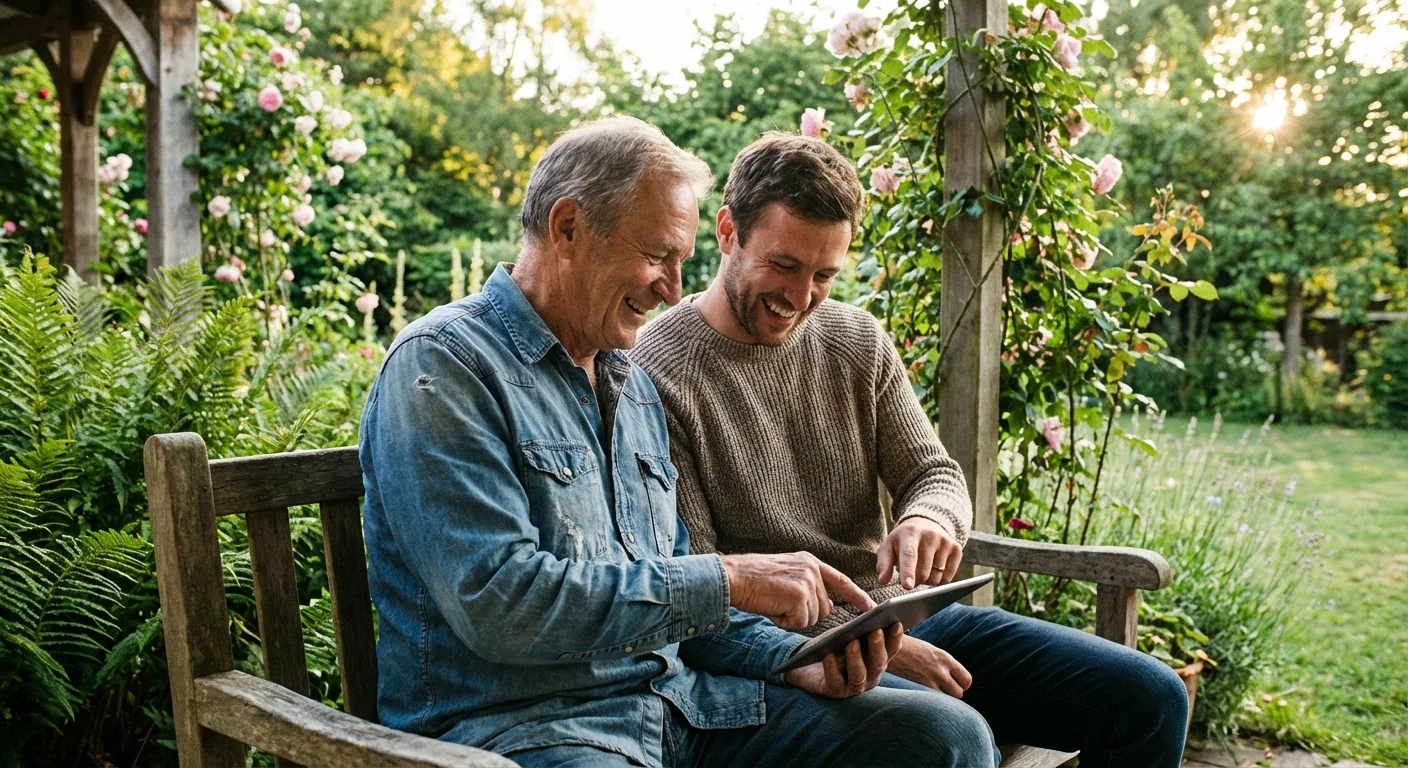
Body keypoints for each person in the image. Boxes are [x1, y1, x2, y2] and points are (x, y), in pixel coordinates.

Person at [358, 117, 997, 768]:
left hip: (682, 710)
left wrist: (794, 659)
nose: (671, 287)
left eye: (680, 262)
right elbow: (502, 604)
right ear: (568, 227)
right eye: (657, 255)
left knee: (948, 738)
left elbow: (690, 604)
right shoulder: (444, 368)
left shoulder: (628, 385)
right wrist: (732, 578)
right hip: (528, 732)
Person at [631, 131, 1192, 767]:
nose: (800, 298)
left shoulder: (854, 341)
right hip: (785, 661)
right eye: (783, 266)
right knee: (948, 736)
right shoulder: (656, 376)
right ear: (728, 231)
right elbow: (700, 588)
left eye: (824, 275)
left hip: (899, 623)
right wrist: (873, 645)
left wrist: (929, 515)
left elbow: (935, 472)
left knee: (1152, 697)